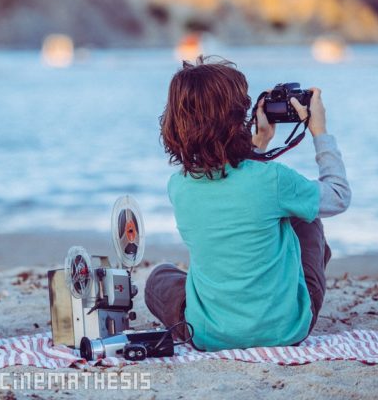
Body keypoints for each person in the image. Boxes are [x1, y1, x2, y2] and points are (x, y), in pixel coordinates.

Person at [145, 57, 350, 351]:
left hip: (208, 335)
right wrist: (320, 131)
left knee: (159, 279)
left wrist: (260, 143)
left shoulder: (177, 187)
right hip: (287, 329)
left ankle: (217, 315)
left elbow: (234, 186)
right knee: (305, 214)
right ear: (237, 118)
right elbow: (339, 195)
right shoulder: (273, 179)